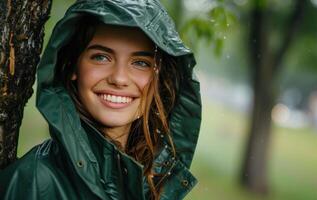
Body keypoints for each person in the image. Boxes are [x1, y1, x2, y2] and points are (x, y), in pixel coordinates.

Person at [0, 0, 201, 199]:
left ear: (158, 78)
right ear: (72, 66)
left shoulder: (155, 181)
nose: (119, 78)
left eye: (140, 62)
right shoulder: (32, 182)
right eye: (101, 57)